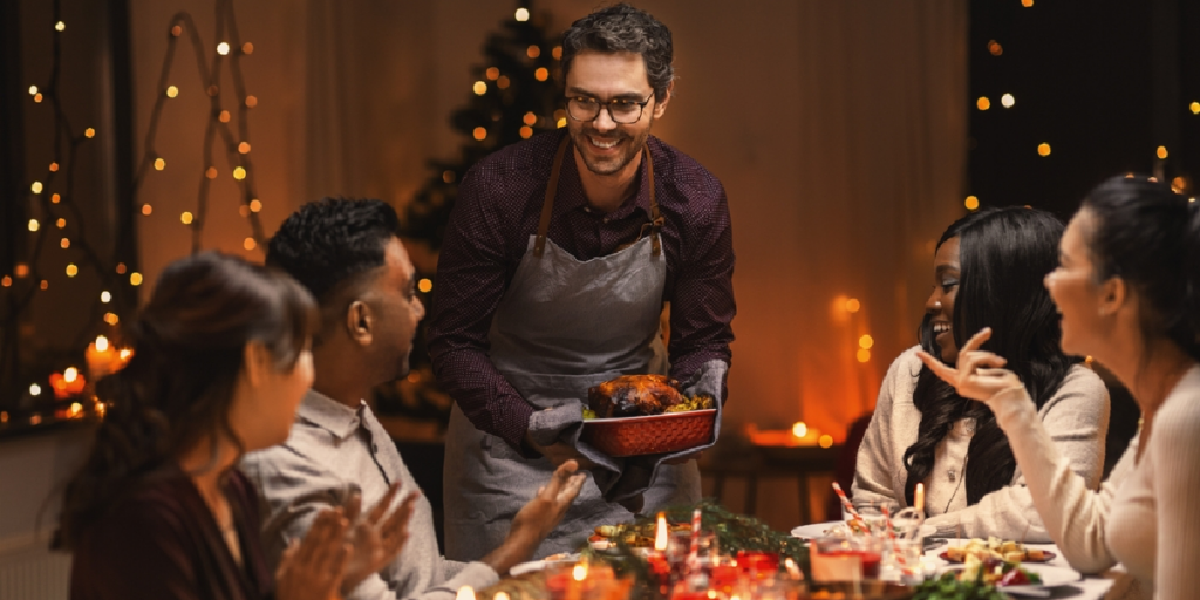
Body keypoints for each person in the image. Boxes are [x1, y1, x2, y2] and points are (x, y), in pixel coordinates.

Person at [427, 3, 736, 560]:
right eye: (584, 100)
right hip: (507, 458)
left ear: (661, 99)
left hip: (641, 459)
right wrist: (532, 427)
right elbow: (452, 344)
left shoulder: (695, 197)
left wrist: (694, 407)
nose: (601, 124)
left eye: (624, 104)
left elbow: (701, 343)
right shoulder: (499, 189)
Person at [242, 199, 586, 600]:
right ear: (361, 321)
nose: (420, 310)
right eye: (408, 293)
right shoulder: (289, 465)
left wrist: (541, 564)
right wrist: (516, 549)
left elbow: (418, 579)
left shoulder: (353, 413)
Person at [61, 252, 411, 600]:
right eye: (303, 351)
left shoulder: (232, 488)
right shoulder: (145, 520)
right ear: (256, 360)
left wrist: (336, 577)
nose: (310, 378)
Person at [920, 176, 1200, 599]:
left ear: (1111, 295)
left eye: (1066, 267)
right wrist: (1012, 405)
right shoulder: (1163, 408)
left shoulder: (1186, 415)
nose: (1048, 285)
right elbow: (1091, 543)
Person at [853, 207, 1110, 540]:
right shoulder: (912, 370)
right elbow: (871, 499)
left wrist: (924, 530)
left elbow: (1046, 513)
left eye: (948, 284)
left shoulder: (1075, 390)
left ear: (1005, 295)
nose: (932, 302)